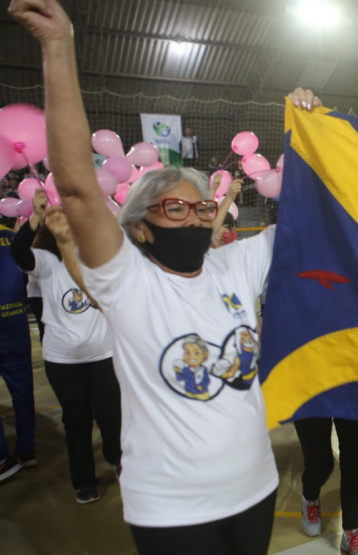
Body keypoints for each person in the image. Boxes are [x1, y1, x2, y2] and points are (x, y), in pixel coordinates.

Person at [10, 1, 294, 552]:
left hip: (255, 490)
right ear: (140, 228)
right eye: (175, 209)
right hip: (171, 510)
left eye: (202, 208)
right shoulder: (128, 283)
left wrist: (311, 130)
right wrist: (59, 47)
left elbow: (315, 215)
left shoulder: (236, 264)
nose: (195, 217)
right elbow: (75, 188)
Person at [10, 201, 121, 504]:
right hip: (63, 360)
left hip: (104, 354)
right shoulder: (46, 262)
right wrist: (34, 216)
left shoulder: (98, 259)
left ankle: (118, 460)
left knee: (112, 416)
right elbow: (18, 252)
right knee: (76, 420)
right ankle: (84, 481)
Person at [294, 418, 358, 554]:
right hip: (309, 397)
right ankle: (309, 497)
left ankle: (351, 531)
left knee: (355, 462)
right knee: (320, 463)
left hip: (352, 397)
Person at [0, 205, 35, 482]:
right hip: (15, 322)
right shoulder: (12, 238)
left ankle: (2, 458)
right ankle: (28, 449)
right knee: (22, 390)